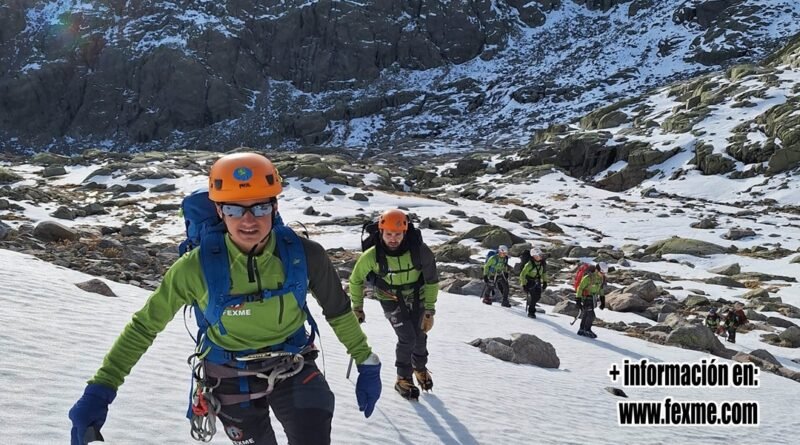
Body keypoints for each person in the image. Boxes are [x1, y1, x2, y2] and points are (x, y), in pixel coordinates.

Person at [69, 152, 382, 445]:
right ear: (219, 210)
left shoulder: (305, 256)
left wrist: (366, 361)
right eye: (234, 209)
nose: (248, 220)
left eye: (259, 206)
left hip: (293, 365)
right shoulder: (195, 268)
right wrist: (102, 388)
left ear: (274, 206)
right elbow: (144, 327)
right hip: (230, 378)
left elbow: (339, 312)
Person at [349, 209, 439, 400]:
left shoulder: (420, 251)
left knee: (420, 334)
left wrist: (429, 311)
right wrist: (357, 307)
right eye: (388, 234)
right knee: (407, 337)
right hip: (389, 297)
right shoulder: (372, 256)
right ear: (381, 232)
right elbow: (356, 280)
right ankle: (402, 378)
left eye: (397, 234)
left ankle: (420, 369)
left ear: (405, 232)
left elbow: (431, 280)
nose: (393, 238)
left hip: (417, 295)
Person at [575, 262, 607, 338]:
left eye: (604, 273)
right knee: (591, 315)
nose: (603, 274)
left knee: (586, 314)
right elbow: (580, 288)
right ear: (597, 270)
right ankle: (587, 330)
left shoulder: (601, 278)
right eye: (602, 272)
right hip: (586, 298)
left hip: (593, 298)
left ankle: (581, 330)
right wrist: (578, 300)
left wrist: (602, 300)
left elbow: (601, 289)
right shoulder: (588, 277)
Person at [520, 247, 548, 318]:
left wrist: (545, 282)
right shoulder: (529, 265)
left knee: (538, 296)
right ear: (534, 256)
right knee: (533, 296)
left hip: (537, 281)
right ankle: (531, 312)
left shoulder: (542, 264)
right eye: (539, 255)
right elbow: (522, 274)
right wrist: (524, 285)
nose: (541, 256)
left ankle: (531, 304)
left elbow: (544, 273)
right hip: (529, 281)